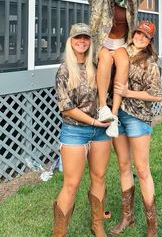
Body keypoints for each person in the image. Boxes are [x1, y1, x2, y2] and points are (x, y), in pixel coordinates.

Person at [56, 0, 157, 138]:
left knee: (121, 61)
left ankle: (114, 115)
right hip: (103, 43)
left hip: (122, 44)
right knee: (106, 59)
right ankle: (103, 107)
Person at [54, 23, 111, 237]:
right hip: (74, 131)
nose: (82, 41)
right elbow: (67, 108)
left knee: (99, 177)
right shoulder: (64, 70)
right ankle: (59, 233)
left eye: (86, 38)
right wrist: (94, 122)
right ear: (70, 41)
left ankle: (97, 224)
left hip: (101, 132)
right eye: (78, 37)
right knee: (71, 183)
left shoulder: (96, 66)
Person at [109, 20, 162, 237]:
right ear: (134, 33)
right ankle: (127, 217)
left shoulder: (149, 62)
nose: (141, 37)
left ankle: (152, 226)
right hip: (117, 116)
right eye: (139, 33)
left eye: (146, 36)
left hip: (138, 117)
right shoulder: (122, 53)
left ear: (150, 41)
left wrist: (128, 93)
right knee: (123, 165)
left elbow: (157, 95)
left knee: (142, 169)